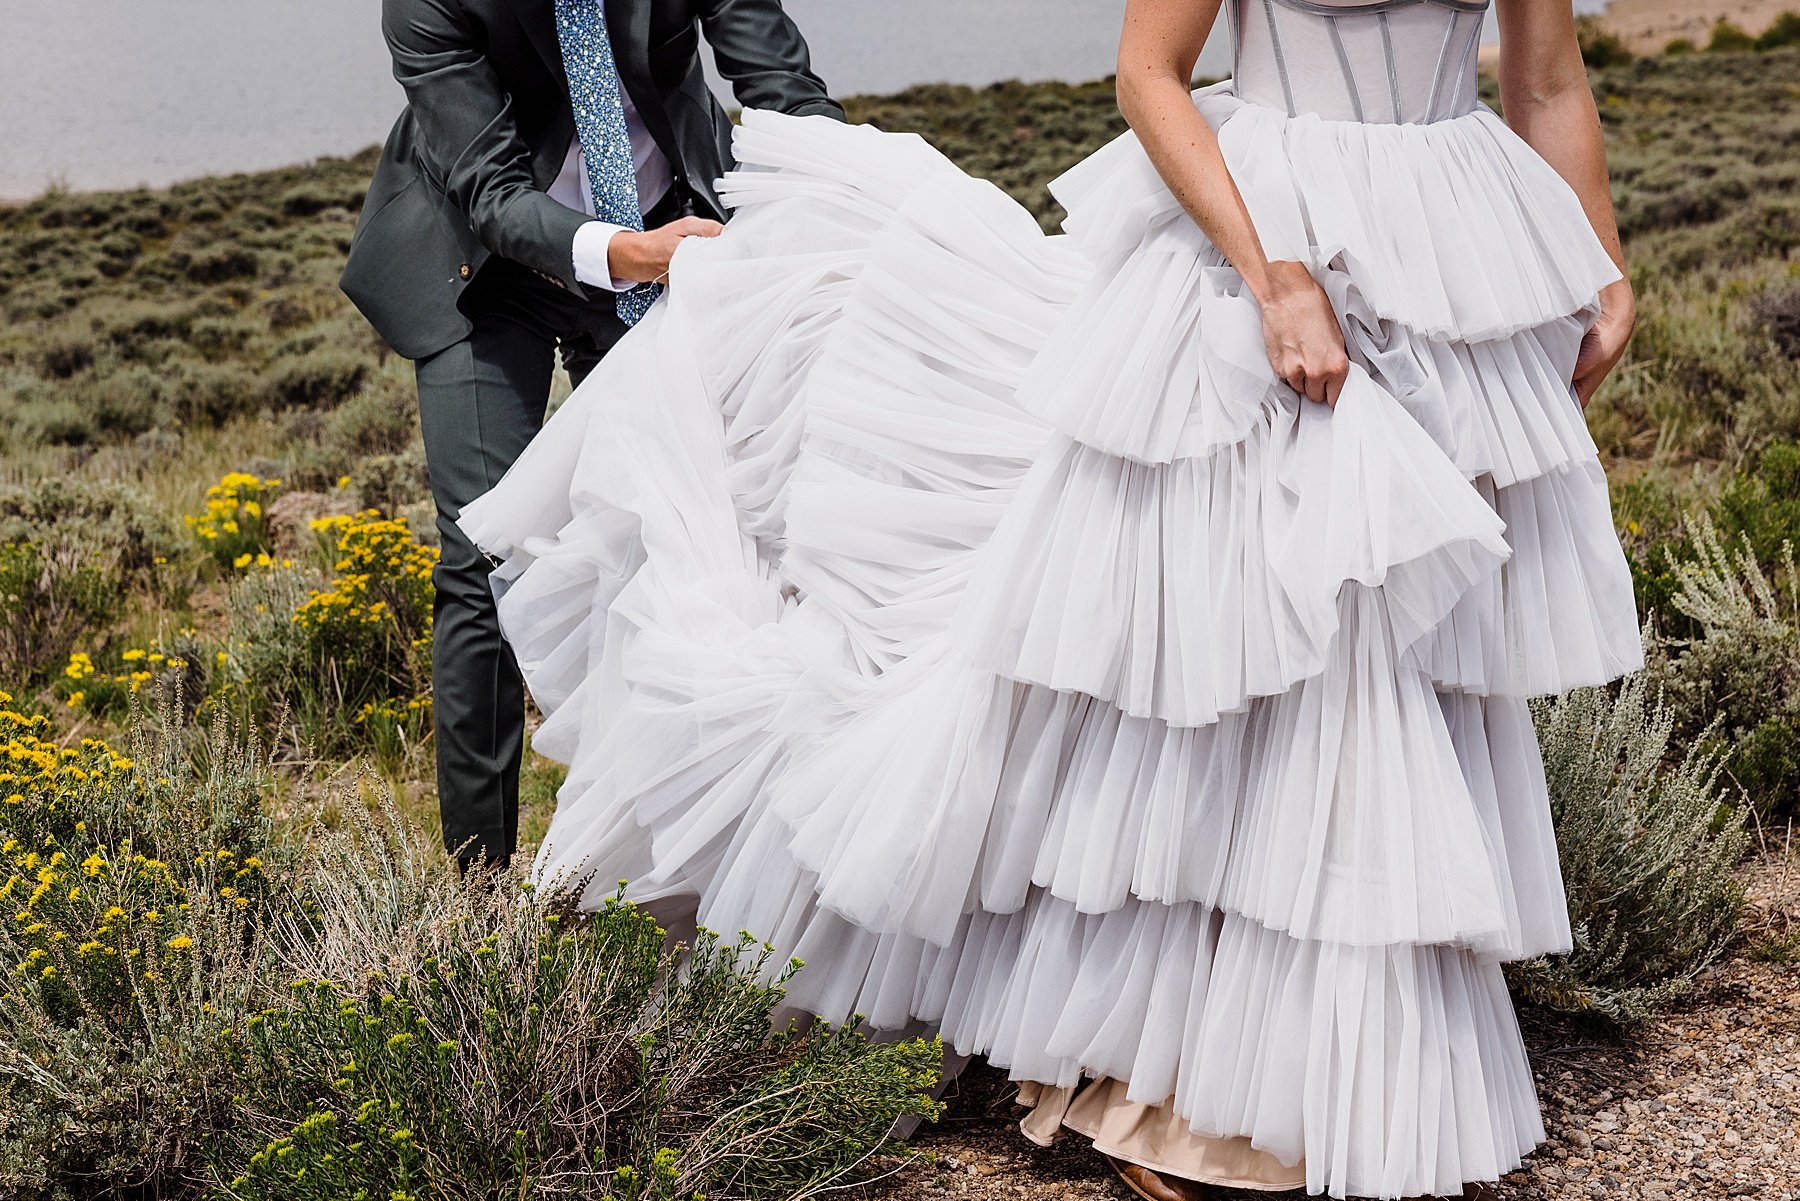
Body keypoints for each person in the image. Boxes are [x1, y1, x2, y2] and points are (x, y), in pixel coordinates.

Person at [457, 0, 1641, 1196]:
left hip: (1456, 256)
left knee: (1399, 641)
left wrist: (1596, 256)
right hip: (1261, 243)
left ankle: (1311, 1061)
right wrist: (1270, 272)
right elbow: (1148, 75)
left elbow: (1547, 84)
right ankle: (1164, 1075)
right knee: (1258, 653)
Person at [339, 0, 843, 870]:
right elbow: (494, 195)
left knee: (705, 527)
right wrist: (631, 254)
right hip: (488, 269)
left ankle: (696, 859)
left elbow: (781, 85)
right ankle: (478, 886)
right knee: (482, 558)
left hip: (674, 228)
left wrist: (854, 193)